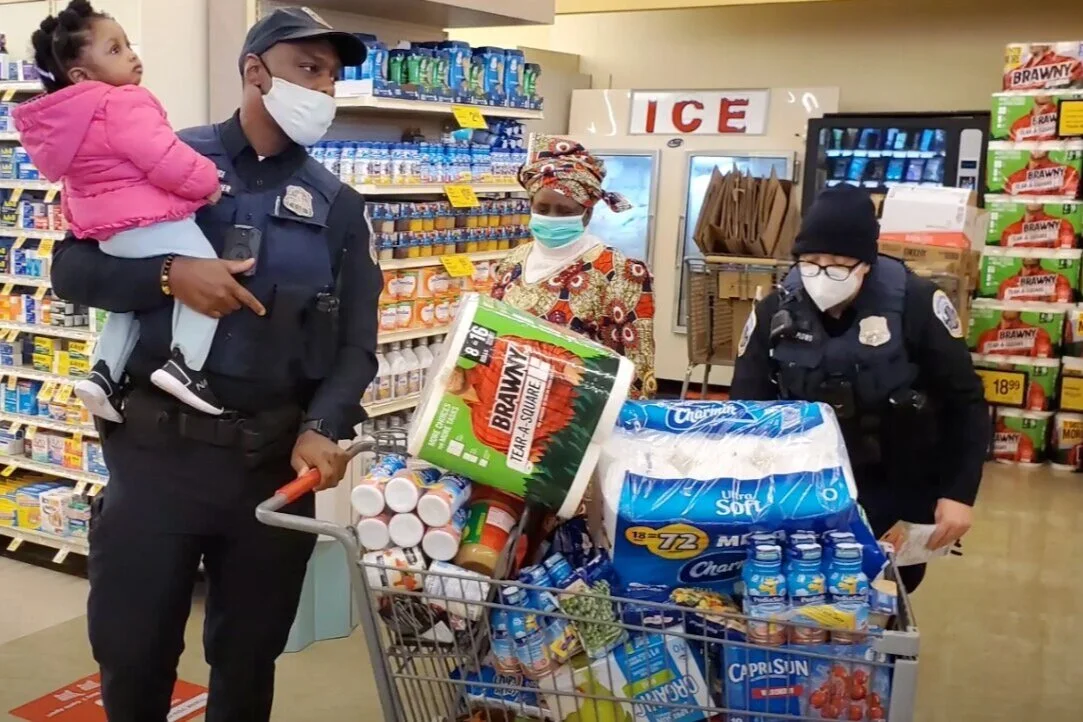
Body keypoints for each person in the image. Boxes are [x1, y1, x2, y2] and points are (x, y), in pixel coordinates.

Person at [48, 7, 378, 721]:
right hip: (154, 460)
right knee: (132, 653)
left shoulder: (338, 207)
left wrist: (324, 425)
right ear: (255, 71)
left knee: (247, 659)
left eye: (332, 76)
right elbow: (70, 269)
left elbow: (357, 342)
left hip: (268, 471)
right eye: (309, 69)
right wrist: (169, 274)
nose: (324, 88)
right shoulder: (161, 154)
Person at [730, 185, 989, 592]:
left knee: (888, 588)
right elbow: (745, 405)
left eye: (837, 265)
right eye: (810, 262)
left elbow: (965, 402)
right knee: (798, 590)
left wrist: (959, 493)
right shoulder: (775, 310)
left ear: (866, 264)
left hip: (896, 477)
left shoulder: (917, 304)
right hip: (803, 483)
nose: (821, 275)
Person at [15, 0, 227, 418]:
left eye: (127, 44)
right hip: (149, 222)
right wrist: (209, 183)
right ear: (81, 75)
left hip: (108, 235)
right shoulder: (123, 103)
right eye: (115, 49)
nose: (131, 55)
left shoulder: (71, 123)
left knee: (128, 305)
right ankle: (187, 365)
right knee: (207, 277)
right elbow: (166, 158)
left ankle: (102, 374)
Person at [491, 135, 657, 399]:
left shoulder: (618, 272)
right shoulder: (513, 261)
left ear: (587, 213)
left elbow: (634, 368)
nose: (551, 218)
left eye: (564, 211)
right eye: (542, 208)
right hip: (508, 398)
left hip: (577, 410)